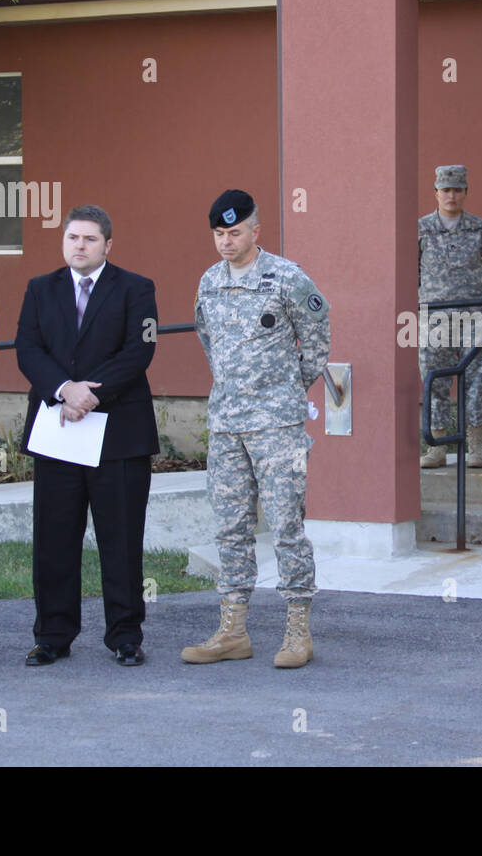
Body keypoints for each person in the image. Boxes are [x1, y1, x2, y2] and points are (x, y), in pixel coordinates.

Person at [183, 189, 331, 669]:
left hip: (277, 427)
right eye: (219, 234)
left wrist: (284, 389)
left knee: (287, 527)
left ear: (255, 231)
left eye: (235, 232)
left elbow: (316, 339)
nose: (227, 242)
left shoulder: (286, 278)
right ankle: (233, 630)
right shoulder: (209, 283)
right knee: (231, 528)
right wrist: (236, 389)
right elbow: (209, 342)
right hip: (227, 425)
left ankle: (297, 630)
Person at [16, 204, 158, 667]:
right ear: (64, 241)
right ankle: (53, 636)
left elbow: (139, 350)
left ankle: (125, 636)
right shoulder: (40, 290)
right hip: (58, 431)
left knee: (120, 539)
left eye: (90, 239)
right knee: (54, 539)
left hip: (118, 434)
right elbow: (29, 349)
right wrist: (63, 390)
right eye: (73, 238)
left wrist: (88, 395)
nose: (80, 246)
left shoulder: (136, 288)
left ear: (108, 245)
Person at [418, 165, 482, 468]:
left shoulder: (480, 229)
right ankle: (437, 447)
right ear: (436, 193)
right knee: (434, 380)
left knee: (477, 378)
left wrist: (470, 287)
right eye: (445, 190)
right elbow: (409, 269)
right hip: (435, 317)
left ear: (465, 192)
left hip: (474, 316)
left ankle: (476, 447)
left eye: (457, 189)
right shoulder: (421, 229)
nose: (451, 195)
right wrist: (432, 292)